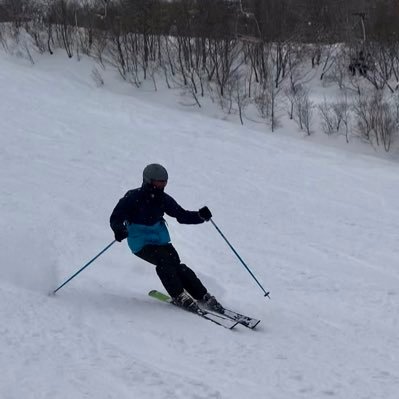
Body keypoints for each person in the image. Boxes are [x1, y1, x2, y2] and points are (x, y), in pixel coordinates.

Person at [110, 163, 223, 313]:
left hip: (159, 238)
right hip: (140, 240)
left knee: (177, 264)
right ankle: (179, 295)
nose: (163, 184)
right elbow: (116, 217)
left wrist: (200, 216)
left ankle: (203, 296)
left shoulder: (163, 199)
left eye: (165, 181)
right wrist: (119, 229)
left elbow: (181, 215)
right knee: (164, 261)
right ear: (148, 180)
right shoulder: (133, 197)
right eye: (159, 181)